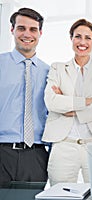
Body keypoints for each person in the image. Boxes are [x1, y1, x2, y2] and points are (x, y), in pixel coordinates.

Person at [42, 19, 92, 185]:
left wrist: (69, 107)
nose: (82, 42)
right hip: (64, 145)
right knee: (60, 194)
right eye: (78, 37)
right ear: (71, 39)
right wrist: (91, 101)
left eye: (88, 38)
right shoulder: (57, 68)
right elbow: (52, 102)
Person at [0, 8, 49, 184]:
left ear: (40, 33)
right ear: (12, 30)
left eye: (33, 29)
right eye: (21, 28)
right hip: (2, 151)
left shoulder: (50, 72)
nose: (27, 34)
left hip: (36, 156)